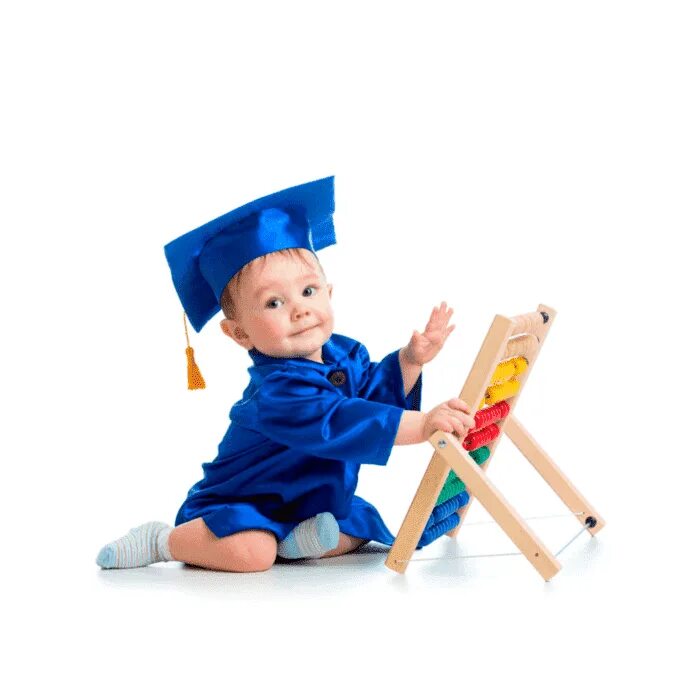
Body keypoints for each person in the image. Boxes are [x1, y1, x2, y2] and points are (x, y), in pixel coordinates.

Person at [96, 176, 475, 573]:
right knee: (253, 554)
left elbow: (374, 397)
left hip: (309, 500)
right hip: (244, 502)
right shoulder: (278, 392)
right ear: (239, 333)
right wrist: (424, 424)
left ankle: (294, 542)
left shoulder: (345, 354)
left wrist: (410, 360)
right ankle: (163, 541)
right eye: (274, 302)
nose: (299, 310)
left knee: (360, 525)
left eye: (309, 291)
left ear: (329, 292)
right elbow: (342, 420)